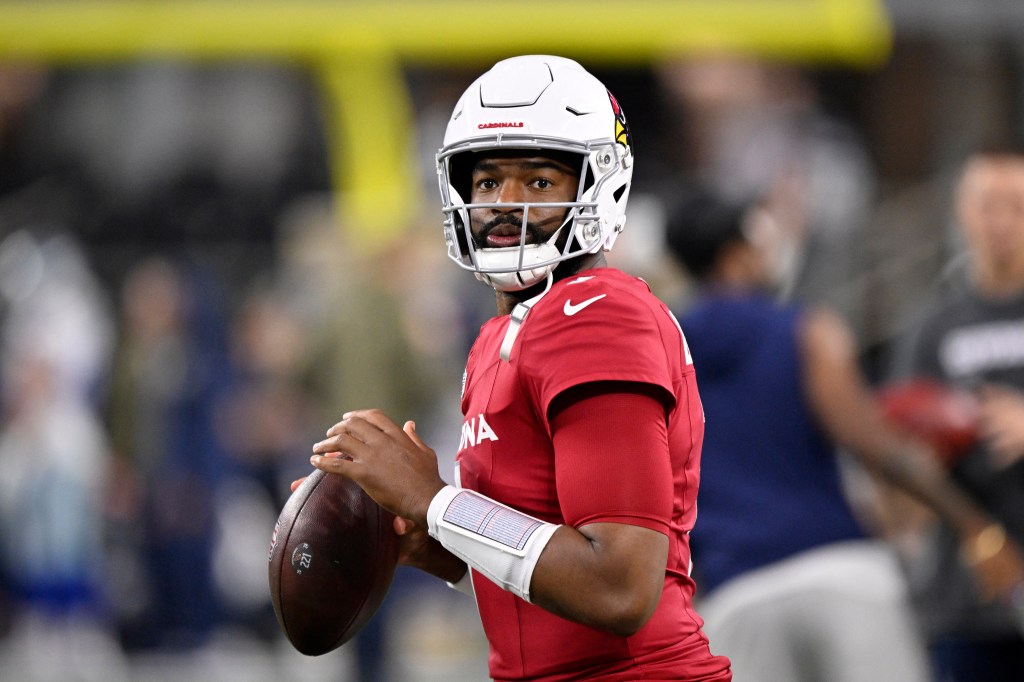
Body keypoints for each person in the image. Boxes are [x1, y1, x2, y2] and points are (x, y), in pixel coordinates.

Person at [303, 55, 733, 681]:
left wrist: (437, 501)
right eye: (486, 182)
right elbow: (542, 563)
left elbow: (618, 588)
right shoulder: (499, 337)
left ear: (598, 186)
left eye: (537, 182)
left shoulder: (593, 312)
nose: (504, 204)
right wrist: (423, 535)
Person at [663, 188, 1024, 682]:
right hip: (839, 569)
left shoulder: (660, 357)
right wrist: (976, 528)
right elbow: (877, 446)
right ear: (737, 253)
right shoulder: (803, 328)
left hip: (734, 593)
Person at [888, 143, 1024, 681]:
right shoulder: (932, 328)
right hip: (966, 591)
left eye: (1015, 204)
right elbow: (894, 452)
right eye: (987, 204)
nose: (1000, 222)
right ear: (961, 212)